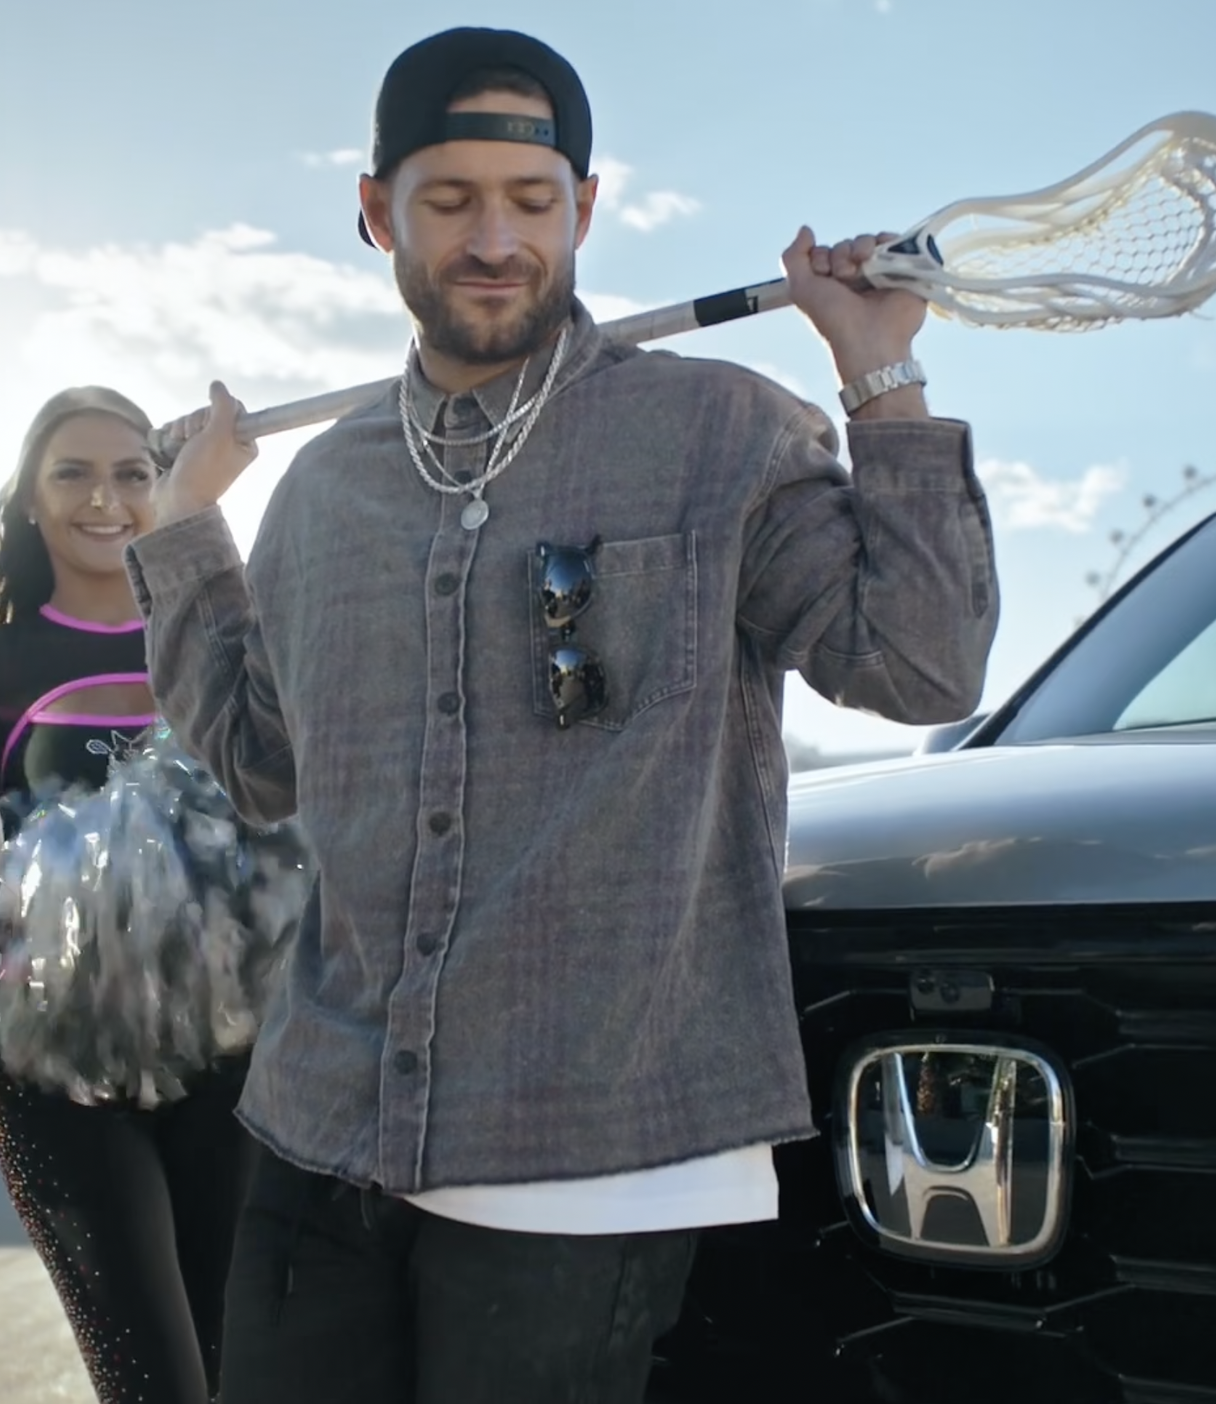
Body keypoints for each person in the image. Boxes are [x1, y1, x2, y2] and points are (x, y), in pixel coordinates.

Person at [131, 24, 1000, 1404]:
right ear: (377, 214)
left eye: (531, 201)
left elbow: (919, 667)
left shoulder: (719, 434)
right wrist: (185, 536)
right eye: (449, 200)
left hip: (590, 1157)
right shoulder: (320, 494)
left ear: (584, 209)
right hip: (317, 1128)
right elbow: (258, 767)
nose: (494, 241)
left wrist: (879, 374)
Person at [0, 387, 255, 1404]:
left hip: (232, 1064)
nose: (104, 498)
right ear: (30, 498)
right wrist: (86, 908)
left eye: (131, 473)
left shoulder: (230, 640)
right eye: (73, 474)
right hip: (65, 1061)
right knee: (155, 1383)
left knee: (236, 1372)